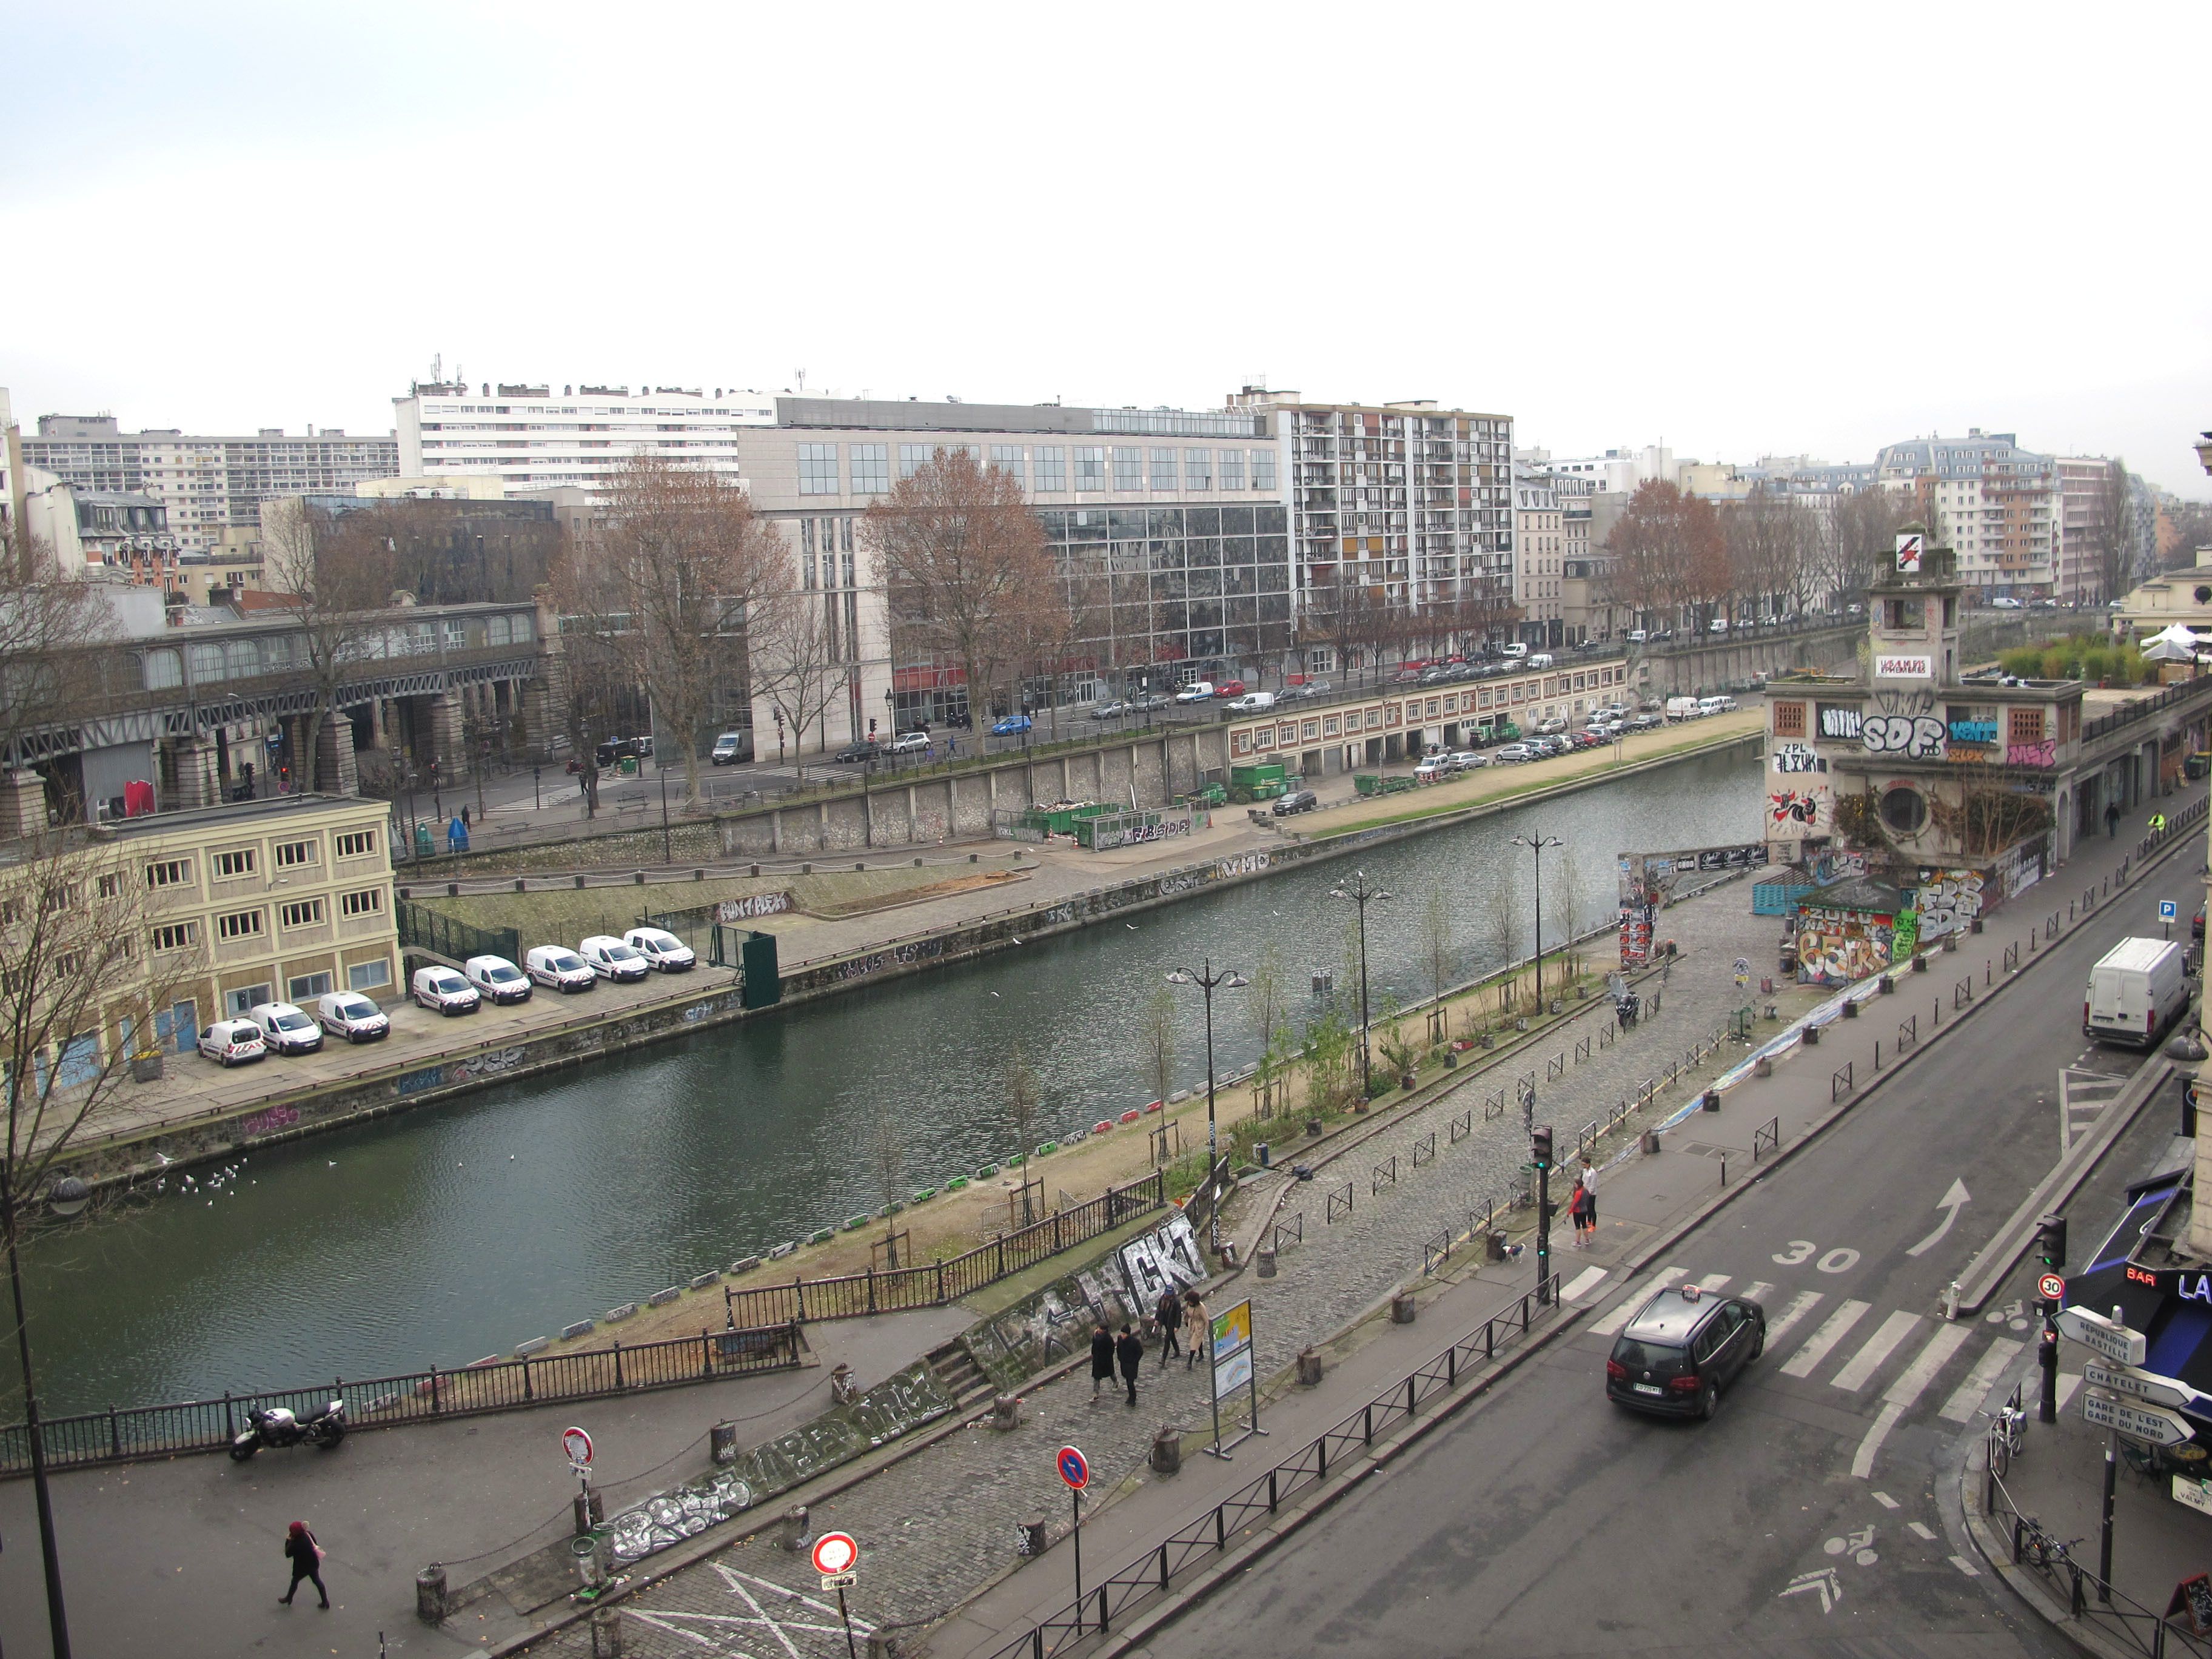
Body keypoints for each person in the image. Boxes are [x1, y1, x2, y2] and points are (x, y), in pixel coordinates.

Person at [281, 1521, 328, 1608]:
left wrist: (288, 1540)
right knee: (317, 1581)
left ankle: (289, 1598)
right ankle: (325, 1602)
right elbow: (315, 1543)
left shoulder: (296, 1543)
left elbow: (288, 1554)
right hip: (313, 1564)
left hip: (302, 1567)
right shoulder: (308, 1535)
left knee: (295, 1581)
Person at [1115, 1323, 1144, 1406]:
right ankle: (1130, 1397)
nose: (1122, 1335)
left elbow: (1140, 1352)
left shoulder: (1135, 1342)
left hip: (1132, 1365)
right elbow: (1119, 1350)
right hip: (1124, 1364)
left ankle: (1133, 1398)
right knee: (1128, 1381)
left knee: (1130, 1382)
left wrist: (1135, 1361)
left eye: (1124, 1334)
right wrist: (1120, 1358)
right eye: (1122, 1334)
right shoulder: (1120, 1339)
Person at [1155, 1288, 1184, 1368]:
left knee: (1167, 1339)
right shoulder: (1162, 1299)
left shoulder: (1176, 1302)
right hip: (1164, 1320)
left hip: (1171, 1322)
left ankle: (1163, 1359)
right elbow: (1159, 1310)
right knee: (1172, 1337)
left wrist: (1177, 1326)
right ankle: (1177, 1351)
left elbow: (1178, 1315)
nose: (1166, 1296)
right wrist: (1157, 1319)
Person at [1182, 1289, 1209, 1370]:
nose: (1189, 1303)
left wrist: (1209, 1330)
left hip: (1199, 1326)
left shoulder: (1201, 1307)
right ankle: (1201, 1354)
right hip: (1192, 1324)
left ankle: (1189, 1362)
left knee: (1194, 1342)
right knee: (1198, 1340)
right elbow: (1187, 1313)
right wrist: (1186, 1321)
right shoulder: (1189, 1305)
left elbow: (1206, 1319)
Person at [1090, 1322, 1115, 1398]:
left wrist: (1107, 1357)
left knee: (1111, 1373)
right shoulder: (1096, 1335)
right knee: (1096, 1376)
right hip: (1097, 1359)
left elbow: (1111, 1349)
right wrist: (1093, 1354)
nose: (1098, 1329)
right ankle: (1096, 1393)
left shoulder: (1108, 1338)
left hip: (1106, 1360)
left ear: (1104, 1330)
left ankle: (1115, 1381)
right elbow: (1094, 1346)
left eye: (1100, 1328)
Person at [1577, 1157, 1599, 1243]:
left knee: (1591, 1208)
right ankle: (1589, 1221)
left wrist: (1589, 1193)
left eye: (1584, 1164)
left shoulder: (1593, 1172)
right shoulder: (1585, 1171)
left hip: (1591, 1193)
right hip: (1585, 1192)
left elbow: (1593, 1184)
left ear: (1588, 1164)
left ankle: (1593, 1225)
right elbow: (1584, 1181)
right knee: (1587, 1208)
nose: (1583, 1166)